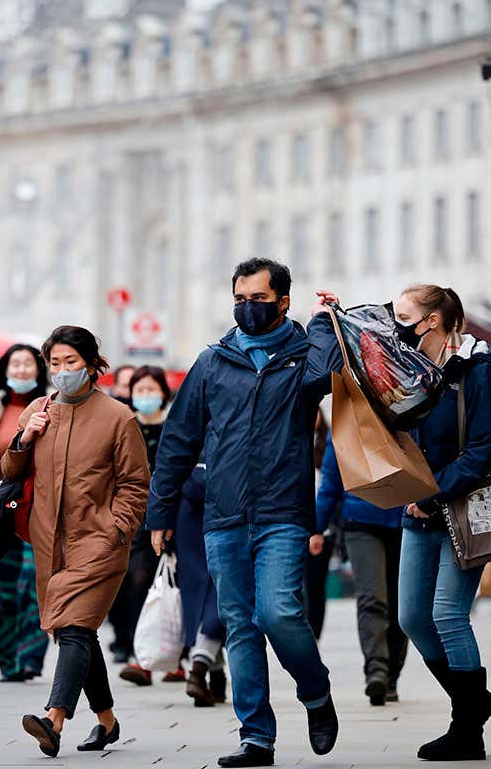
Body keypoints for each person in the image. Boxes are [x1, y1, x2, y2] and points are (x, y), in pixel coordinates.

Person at [146, 258, 342, 768]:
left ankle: (316, 692)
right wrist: (160, 511)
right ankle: (257, 738)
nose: (246, 308)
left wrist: (323, 325)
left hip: (282, 511)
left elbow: (325, 374)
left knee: (278, 612)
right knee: (239, 625)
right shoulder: (214, 362)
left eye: (257, 299)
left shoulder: (303, 357)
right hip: (224, 514)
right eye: (239, 299)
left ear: (282, 301)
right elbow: (178, 441)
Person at [2, 326, 150, 758]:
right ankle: (106, 723)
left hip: (100, 544)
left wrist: (117, 529)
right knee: (78, 631)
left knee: (73, 628)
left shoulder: (118, 417)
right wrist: (25, 436)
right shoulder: (38, 409)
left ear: (90, 363)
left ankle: (54, 718)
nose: (62, 371)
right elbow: (11, 472)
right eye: (55, 363)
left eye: (70, 362)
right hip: (50, 545)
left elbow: (136, 484)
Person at [393, 283, 491, 761]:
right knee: (412, 617)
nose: (396, 326)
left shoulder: (476, 370)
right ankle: (475, 700)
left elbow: (483, 447)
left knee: (447, 613)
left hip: (461, 506)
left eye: (403, 317)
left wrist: (434, 493)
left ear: (432, 321)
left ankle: (467, 730)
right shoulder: (411, 371)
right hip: (419, 507)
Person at [0, 343, 51, 682]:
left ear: (38, 370)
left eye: (28, 364)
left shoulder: (53, 405)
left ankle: (31, 657)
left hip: (41, 509)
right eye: (15, 364)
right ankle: (8, 662)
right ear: (5, 370)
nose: (21, 371)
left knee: (35, 586)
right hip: (2, 510)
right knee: (5, 591)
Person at [315, 432, 407, 706]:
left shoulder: (408, 414)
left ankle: (391, 674)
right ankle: (376, 671)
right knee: (372, 597)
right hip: (360, 521)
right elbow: (330, 484)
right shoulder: (345, 427)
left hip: (405, 521)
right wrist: (317, 528)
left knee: (401, 604)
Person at [114, 365, 181, 685]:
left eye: (151, 390)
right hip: (135, 516)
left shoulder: (176, 426)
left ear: (163, 393)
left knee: (179, 582)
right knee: (137, 579)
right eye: (139, 390)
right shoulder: (124, 427)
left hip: (175, 514)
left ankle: (179, 657)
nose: (145, 396)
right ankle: (142, 655)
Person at [173, 458, 229, 708]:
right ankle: (198, 669)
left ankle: (215, 676)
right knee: (222, 595)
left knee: (201, 597)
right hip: (225, 506)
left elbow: (167, 463)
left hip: (186, 512)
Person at [304, 411, 335, 641]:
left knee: (315, 585)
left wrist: (320, 529)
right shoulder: (294, 439)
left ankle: (313, 633)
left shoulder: (328, 441)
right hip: (298, 525)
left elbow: (331, 489)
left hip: (322, 528)